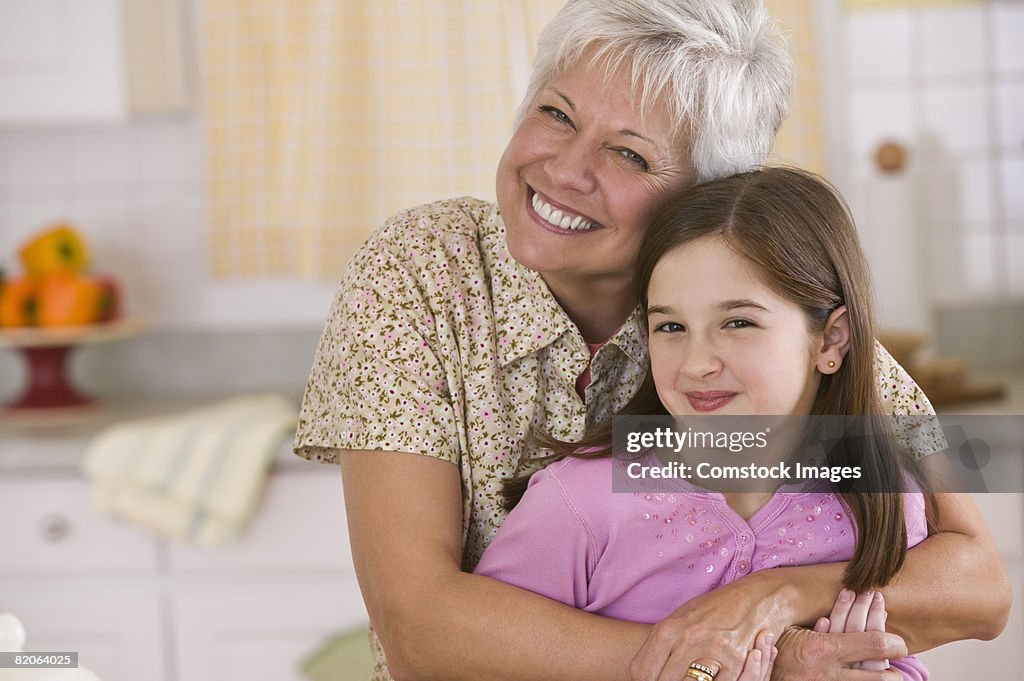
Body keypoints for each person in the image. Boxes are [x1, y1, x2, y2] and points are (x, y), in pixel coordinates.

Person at [293, 1, 1010, 679]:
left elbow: (977, 584)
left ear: (704, 195)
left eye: (630, 156)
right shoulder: (422, 266)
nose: (568, 171)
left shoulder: (759, 313)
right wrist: (751, 661)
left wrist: (774, 598)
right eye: (555, 114)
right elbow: (417, 627)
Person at [474, 166, 936, 680]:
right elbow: (478, 660)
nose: (696, 363)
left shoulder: (880, 501)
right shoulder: (579, 502)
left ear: (830, 341)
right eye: (670, 326)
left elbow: (896, 658)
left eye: (738, 322)